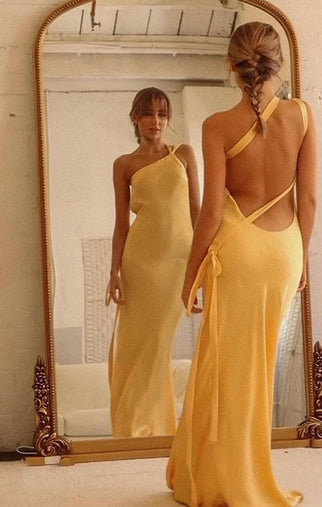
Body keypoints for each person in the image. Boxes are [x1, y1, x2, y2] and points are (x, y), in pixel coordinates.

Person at [166, 21, 317, 506]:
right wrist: (303, 258)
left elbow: (211, 213)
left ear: (232, 66)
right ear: (277, 63)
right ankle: (242, 472)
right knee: (258, 368)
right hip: (284, 251)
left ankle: (224, 479)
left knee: (226, 369)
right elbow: (309, 199)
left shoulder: (217, 125)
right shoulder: (302, 115)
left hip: (239, 254)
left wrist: (190, 276)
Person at [108, 87, 200, 438]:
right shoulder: (124, 165)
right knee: (136, 345)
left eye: (162, 114)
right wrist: (114, 272)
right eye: (148, 113)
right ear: (136, 117)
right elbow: (121, 224)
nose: (156, 121)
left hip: (178, 262)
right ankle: (131, 429)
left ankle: (155, 426)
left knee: (160, 342)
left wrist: (202, 266)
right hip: (140, 264)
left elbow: (197, 212)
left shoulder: (184, 154)